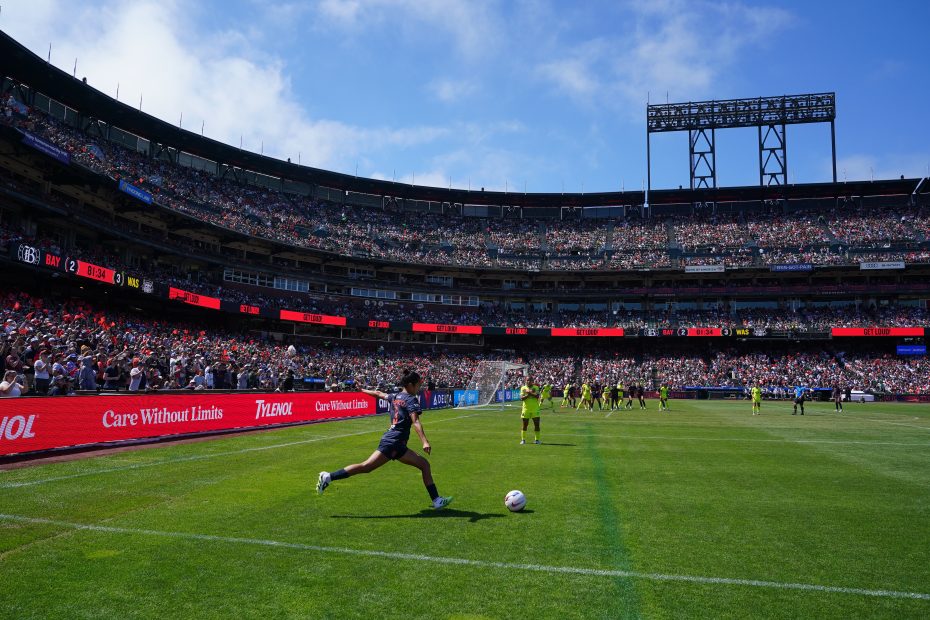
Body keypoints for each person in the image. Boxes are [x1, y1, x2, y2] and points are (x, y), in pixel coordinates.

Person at [316, 369, 452, 510]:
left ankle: (437, 500)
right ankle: (328, 477)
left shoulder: (396, 396)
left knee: (424, 465)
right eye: (418, 385)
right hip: (393, 442)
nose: (419, 388)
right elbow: (415, 421)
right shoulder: (411, 399)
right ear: (410, 385)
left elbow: (378, 394)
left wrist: (362, 390)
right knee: (366, 466)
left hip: (398, 444)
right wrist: (424, 441)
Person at [520, 374, 541, 444]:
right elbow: (522, 398)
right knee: (525, 425)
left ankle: (537, 440)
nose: (528, 381)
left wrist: (530, 393)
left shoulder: (536, 387)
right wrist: (528, 394)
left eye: (530, 380)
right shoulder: (523, 388)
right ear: (526, 381)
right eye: (527, 380)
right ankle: (523, 440)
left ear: (532, 381)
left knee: (537, 424)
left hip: (535, 409)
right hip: (526, 409)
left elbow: (537, 396)